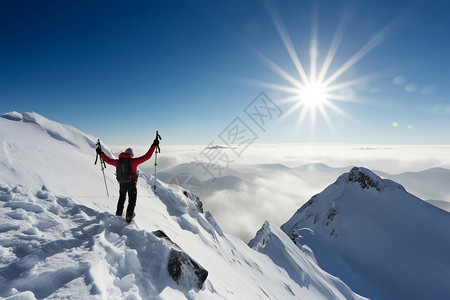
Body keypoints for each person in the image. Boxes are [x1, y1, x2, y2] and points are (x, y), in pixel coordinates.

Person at [96, 137, 160, 222]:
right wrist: (154, 145)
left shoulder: (118, 162)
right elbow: (147, 156)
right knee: (132, 200)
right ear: (131, 155)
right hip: (131, 183)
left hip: (122, 183)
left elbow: (108, 160)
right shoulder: (133, 161)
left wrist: (101, 153)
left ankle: (119, 213)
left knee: (122, 197)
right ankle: (129, 216)